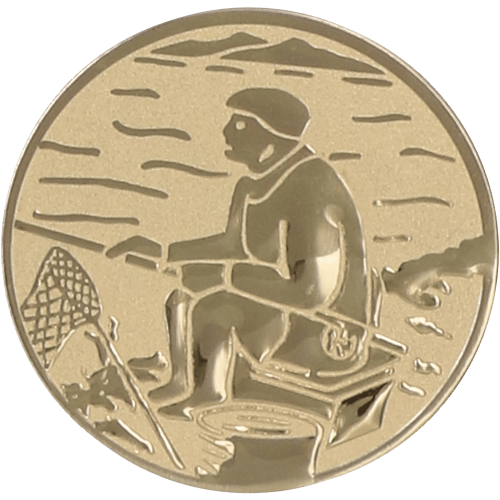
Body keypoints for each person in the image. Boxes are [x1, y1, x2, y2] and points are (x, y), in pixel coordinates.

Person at [151, 88, 368, 417]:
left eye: (240, 125)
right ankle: (183, 380)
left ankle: (211, 393)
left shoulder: (311, 184)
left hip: (324, 327)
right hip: (285, 302)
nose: (226, 132)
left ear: (273, 137)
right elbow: (235, 247)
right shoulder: (256, 185)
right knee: (182, 295)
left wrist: (229, 279)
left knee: (214, 304)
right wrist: (166, 253)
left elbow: (312, 291)